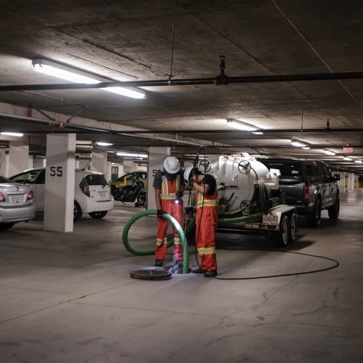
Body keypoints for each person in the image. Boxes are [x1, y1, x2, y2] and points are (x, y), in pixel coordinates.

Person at [153, 156, 185, 270]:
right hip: (164, 206)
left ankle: (179, 257)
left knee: (179, 232)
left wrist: (180, 192)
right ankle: (159, 257)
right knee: (161, 234)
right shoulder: (159, 174)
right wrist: (158, 209)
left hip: (177, 205)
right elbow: (156, 193)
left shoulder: (179, 173)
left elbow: (182, 185)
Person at [186, 166, 218, 277]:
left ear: (194, 176)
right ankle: (205, 265)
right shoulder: (198, 185)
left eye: (191, 180)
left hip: (208, 215)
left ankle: (211, 268)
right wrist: (193, 208)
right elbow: (201, 201)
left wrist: (193, 184)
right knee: (200, 241)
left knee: (208, 241)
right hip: (201, 215)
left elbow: (205, 190)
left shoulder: (208, 178)